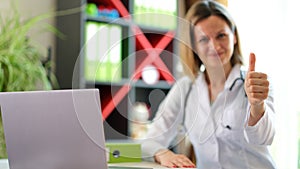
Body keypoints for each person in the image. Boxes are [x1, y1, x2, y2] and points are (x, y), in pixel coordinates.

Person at [141, 0, 276, 168]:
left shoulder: (255, 84)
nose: (214, 46)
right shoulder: (186, 88)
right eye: (204, 39)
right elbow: (149, 143)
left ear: (234, 37)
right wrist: (163, 154)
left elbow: (263, 138)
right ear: (194, 46)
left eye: (221, 35)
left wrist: (257, 106)